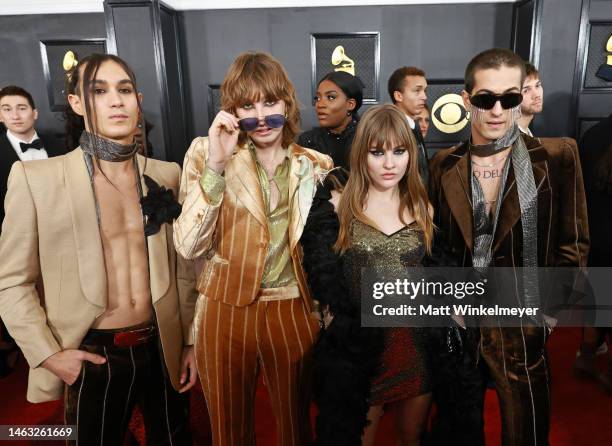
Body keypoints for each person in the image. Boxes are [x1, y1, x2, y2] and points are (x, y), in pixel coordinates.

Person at [0, 53, 198, 444]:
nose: (115, 100)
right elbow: (12, 282)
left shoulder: (167, 174)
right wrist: (49, 354)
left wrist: (189, 340)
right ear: (76, 103)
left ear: (138, 100)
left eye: (124, 90)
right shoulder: (35, 179)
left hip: (163, 348)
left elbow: (184, 269)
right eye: (99, 91)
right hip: (92, 354)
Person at [429, 48, 589, 446]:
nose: (498, 110)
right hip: (462, 324)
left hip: (523, 324)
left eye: (510, 98)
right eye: (486, 99)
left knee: (527, 433)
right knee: (459, 430)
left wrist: (549, 315)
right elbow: (437, 243)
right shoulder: (443, 164)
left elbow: (574, 242)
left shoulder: (557, 156)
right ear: (467, 100)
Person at [173, 51, 333, 446]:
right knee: (228, 430)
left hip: (293, 309)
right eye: (248, 105)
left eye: (270, 102)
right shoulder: (205, 153)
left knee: (298, 427)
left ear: (286, 103)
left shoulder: (316, 164)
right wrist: (215, 165)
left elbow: (326, 247)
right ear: (232, 110)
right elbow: (188, 244)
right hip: (224, 309)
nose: (261, 116)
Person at [302, 104, 434, 445]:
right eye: (378, 152)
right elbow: (321, 278)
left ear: (411, 154)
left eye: (399, 151)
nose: (390, 163)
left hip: (416, 345)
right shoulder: (337, 206)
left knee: (412, 435)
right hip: (362, 352)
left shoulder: (423, 207)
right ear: (362, 154)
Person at [575, 113, 612, 390]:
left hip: (595, 238)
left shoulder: (592, 133)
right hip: (603, 237)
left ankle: (586, 358)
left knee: (599, 305)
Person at [0, 85, 62, 229]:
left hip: (61, 227)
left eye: (22, 108)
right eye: (7, 109)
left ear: (34, 113)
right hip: (15, 233)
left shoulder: (60, 144)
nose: (15, 116)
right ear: (0, 116)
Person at [298, 71, 364, 172]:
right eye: (318, 98)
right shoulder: (307, 142)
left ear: (350, 104)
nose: (320, 104)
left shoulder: (368, 139)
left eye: (331, 97)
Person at [388, 66, 430, 186]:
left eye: (424, 91)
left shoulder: (414, 126)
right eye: (417, 91)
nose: (424, 97)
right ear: (398, 96)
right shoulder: (389, 129)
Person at [517, 62, 543, 137]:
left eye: (537, 85)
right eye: (526, 90)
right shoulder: (508, 139)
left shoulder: (526, 132)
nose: (537, 95)